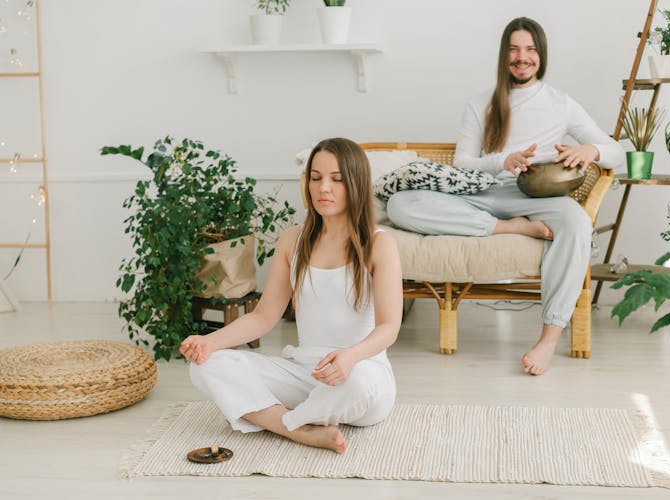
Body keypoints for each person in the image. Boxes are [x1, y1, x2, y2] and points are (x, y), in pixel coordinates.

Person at [386, 17, 625, 376]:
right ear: (504, 55)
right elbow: (463, 163)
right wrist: (503, 160)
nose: (522, 57)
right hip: (482, 193)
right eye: (514, 49)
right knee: (400, 204)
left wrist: (591, 150)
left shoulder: (561, 104)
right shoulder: (480, 103)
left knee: (576, 223)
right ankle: (512, 229)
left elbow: (618, 150)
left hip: (536, 196)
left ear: (540, 56)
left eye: (529, 49)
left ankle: (548, 339)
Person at [181, 137, 403, 454]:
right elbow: (263, 316)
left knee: (359, 382)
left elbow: (389, 327)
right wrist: (211, 342)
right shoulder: (292, 241)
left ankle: (285, 422)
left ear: (356, 183)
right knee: (205, 365)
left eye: (337, 179)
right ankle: (302, 429)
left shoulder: (380, 244)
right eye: (316, 178)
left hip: (361, 376)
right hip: (304, 375)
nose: (323, 188)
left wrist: (351, 356)